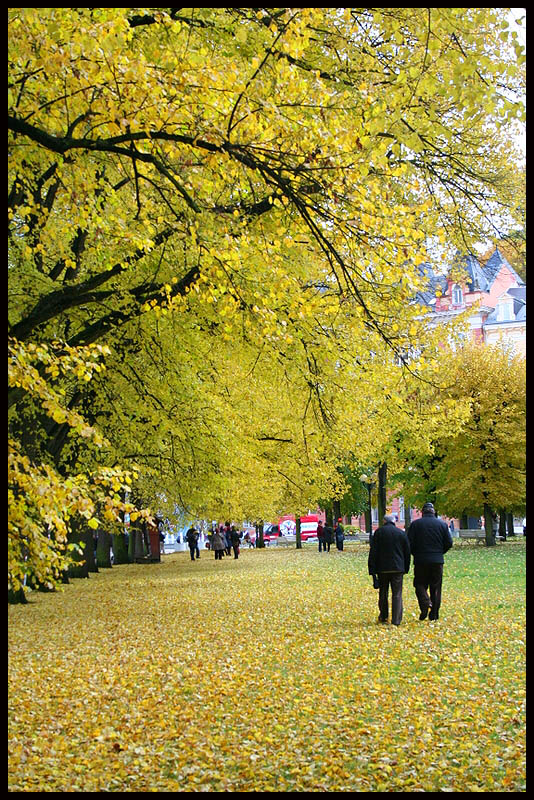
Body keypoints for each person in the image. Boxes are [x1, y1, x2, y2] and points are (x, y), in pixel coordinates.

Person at [408, 502, 453, 621]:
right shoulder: (442, 525)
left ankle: (425, 603)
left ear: (422, 512)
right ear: (433, 511)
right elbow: (449, 543)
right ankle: (434, 614)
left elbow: (409, 543)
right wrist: (439, 552)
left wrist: (416, 553)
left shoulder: (415, 525)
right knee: (436, 588)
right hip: (437, 560)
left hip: (421, 560)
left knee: (419, 584)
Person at [368, 514, 411, 626]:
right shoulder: (401, 533)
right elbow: (407, 552)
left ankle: (383, 616)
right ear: (394, 522)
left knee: (383, 592)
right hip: (397, 568)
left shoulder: (379, 533)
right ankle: (396, 620)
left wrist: (372, 570)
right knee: (397, 594)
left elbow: (373, 552)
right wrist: (406, 568)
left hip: (382, 568)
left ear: (384, 521)